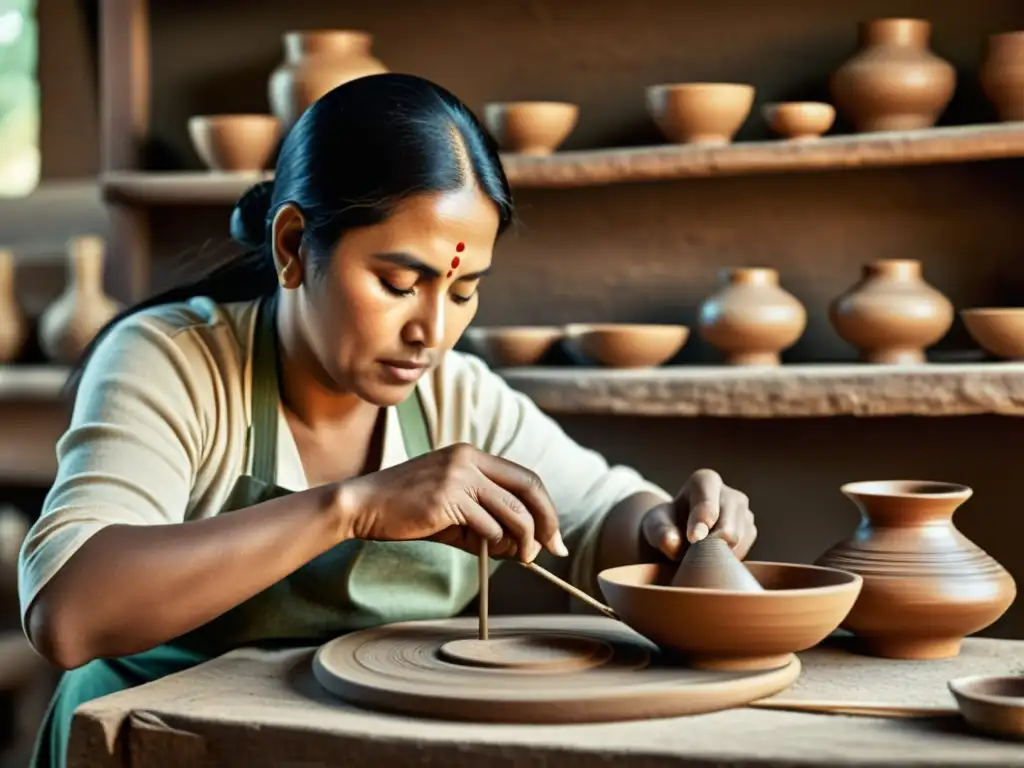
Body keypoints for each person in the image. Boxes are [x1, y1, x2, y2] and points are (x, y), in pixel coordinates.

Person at [18, 73, 757, 768]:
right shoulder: (176, 361)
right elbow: (68, 613)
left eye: (464, 290)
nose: (432, 331)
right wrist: (353, 508)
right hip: (155, 744)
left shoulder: (458, 394)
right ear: (293, 246)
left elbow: (599, 522)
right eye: (399, 283)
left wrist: (675, 524)